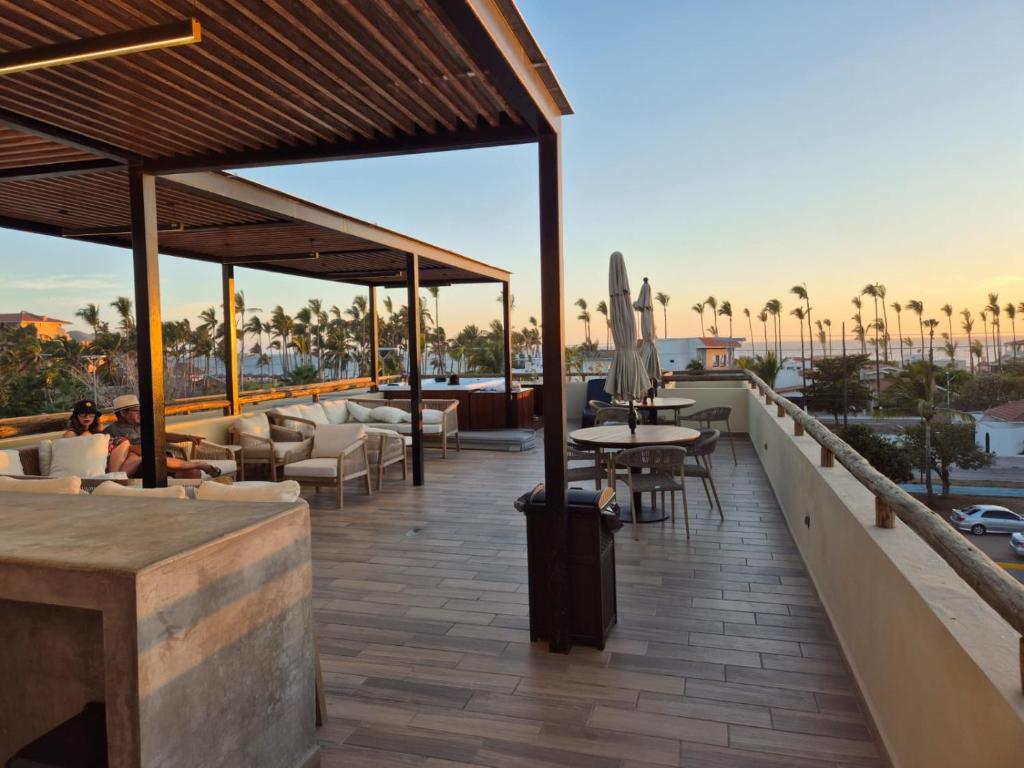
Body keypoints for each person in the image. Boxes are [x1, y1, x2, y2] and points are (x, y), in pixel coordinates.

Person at [104, 395, 221, 479]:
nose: (140, 413)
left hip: (159, 456)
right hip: (141, 464)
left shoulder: (143, 425)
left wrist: (188, 437)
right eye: (136, 411)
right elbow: (114, 454)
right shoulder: (111, 431)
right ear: (123, 413)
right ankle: (197, 465)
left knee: (194, 473)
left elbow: (163, 436)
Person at [62, 399, 135, 475]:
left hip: (101, 459)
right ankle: (113, 476)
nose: (87, 417)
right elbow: (70, 456)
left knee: (135, 457)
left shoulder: (96, 430)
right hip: (86, 463)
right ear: (76, 416)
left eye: (91, 415)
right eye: (83, 415)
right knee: (121, 441)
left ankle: (115, 477)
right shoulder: (71, 433)